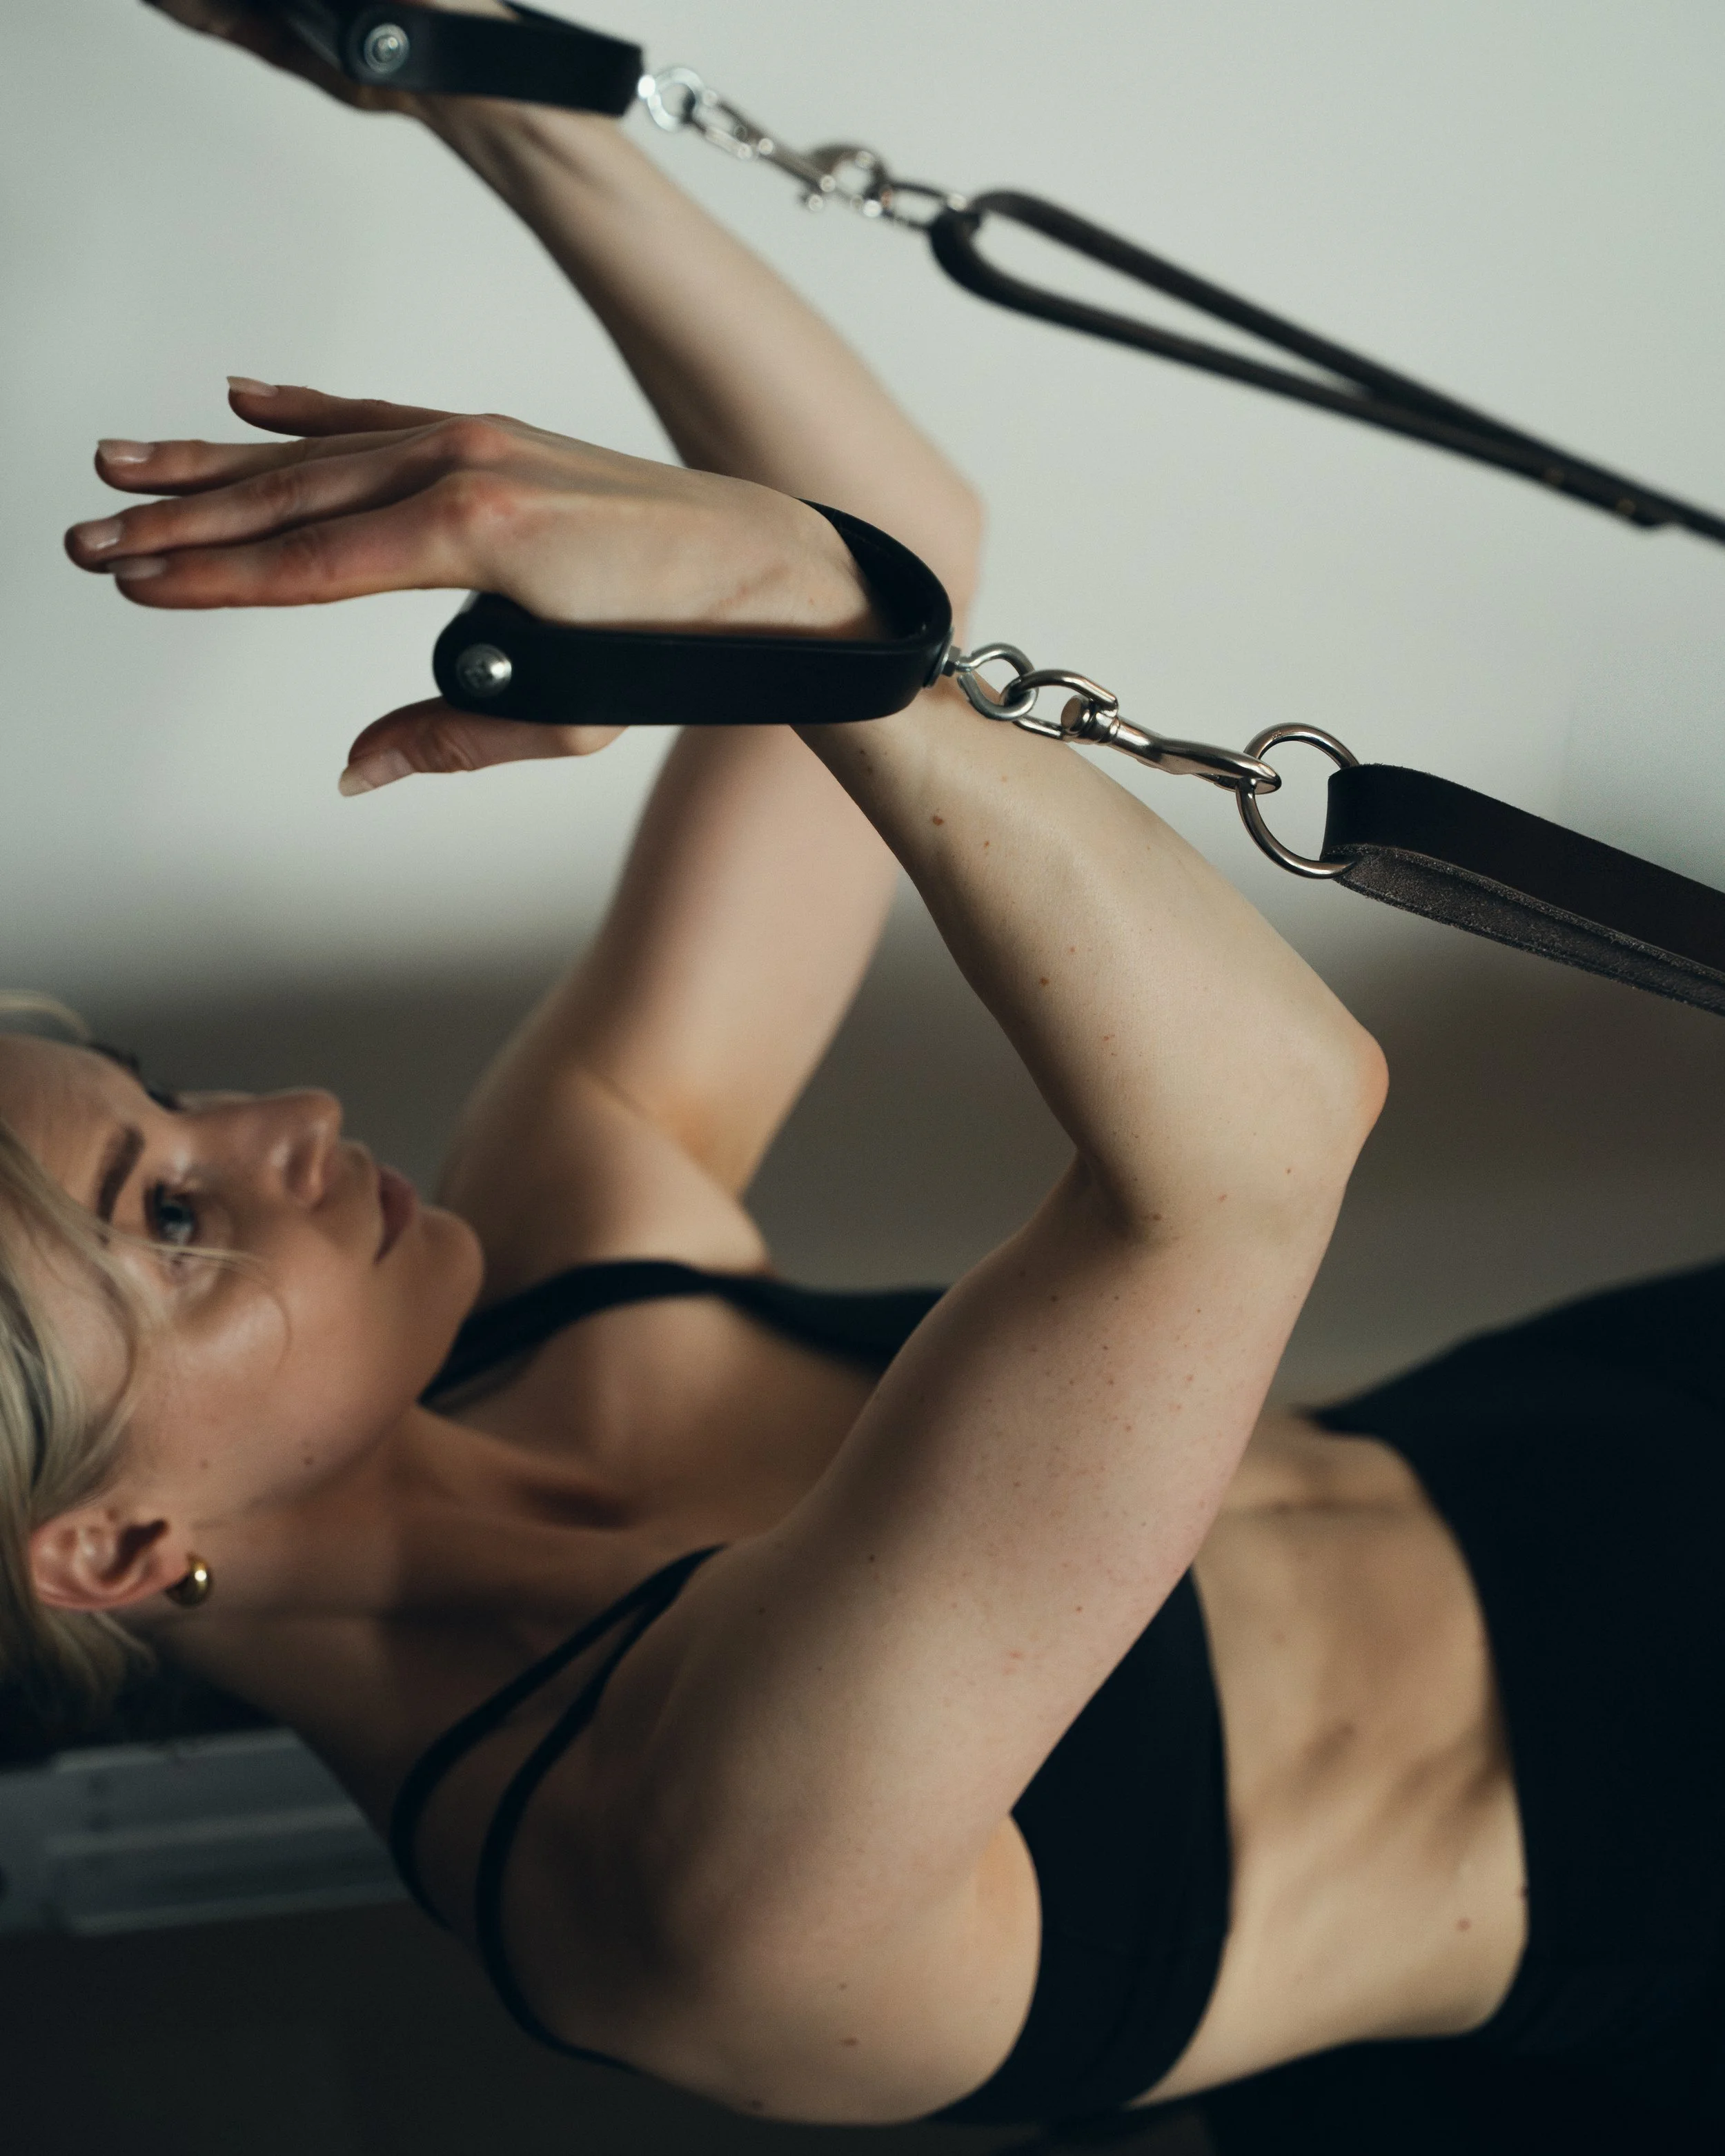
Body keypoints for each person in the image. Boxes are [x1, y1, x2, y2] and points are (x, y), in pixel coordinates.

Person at [9, 1, 1722, 2135]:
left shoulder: (555, 1255)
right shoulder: (675, 1868)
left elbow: (892, 517)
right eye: (168, 1218)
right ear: (102, 1542)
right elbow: (1259, 1128)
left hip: (1629, 1404)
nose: (286, 1125)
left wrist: (456, 87)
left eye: (167, 1103)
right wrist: (792, 612)